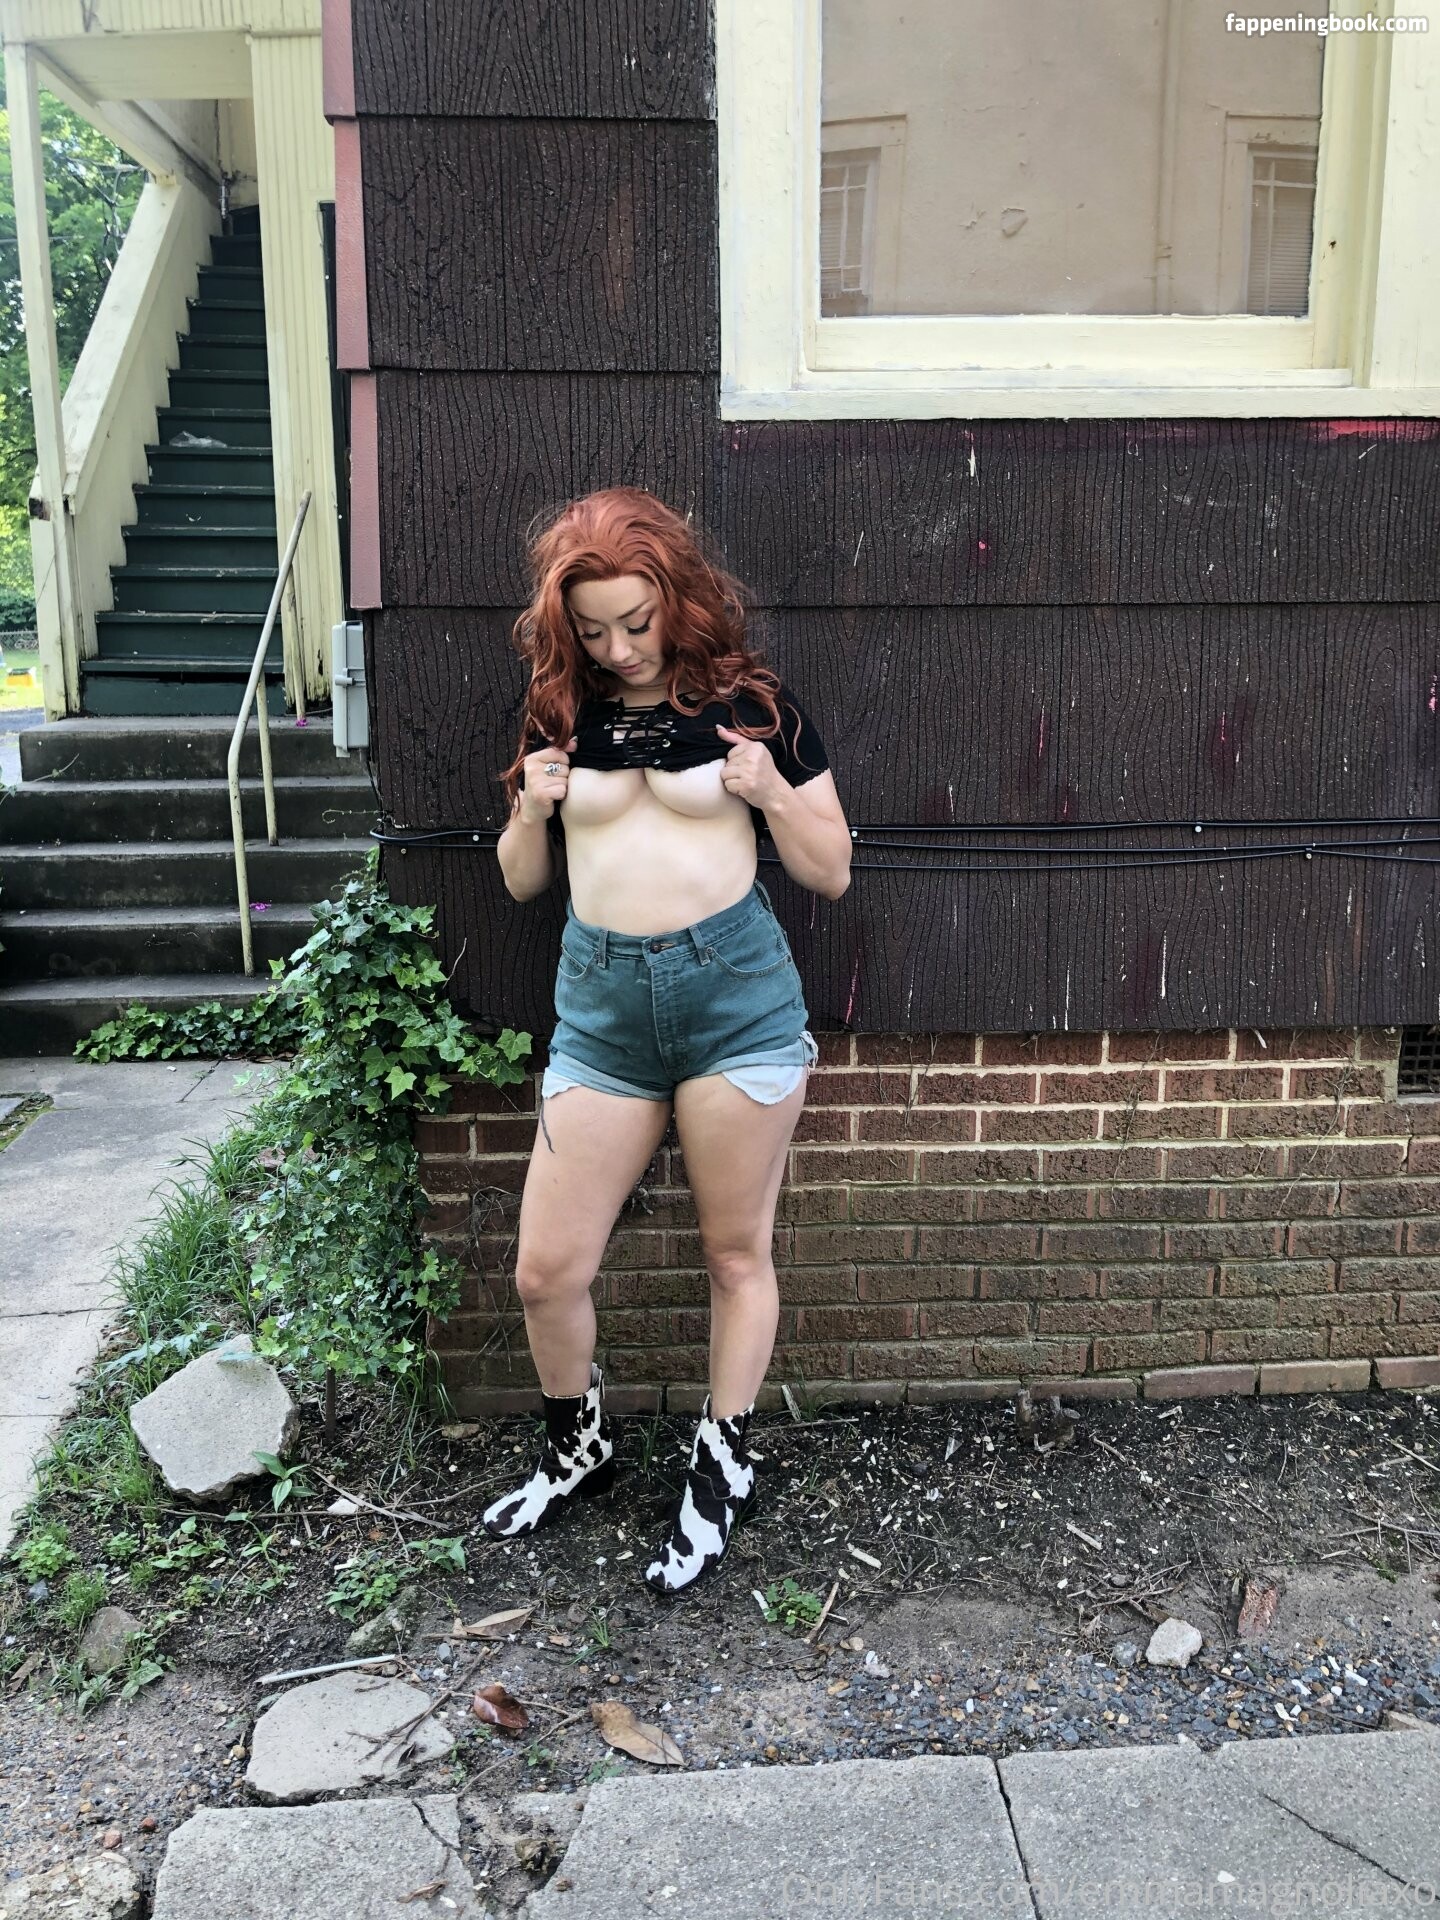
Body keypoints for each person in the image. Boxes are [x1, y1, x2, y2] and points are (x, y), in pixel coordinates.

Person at [479, 485, 852, 1595]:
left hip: (735, 997)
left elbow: (832, 870)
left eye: (636, 622)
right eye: (593, 629)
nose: (619, 648)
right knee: (546, 1271)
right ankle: (578, 1446)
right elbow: (521, 881)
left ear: (676, 597)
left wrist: (769, 790)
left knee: (735, 1256)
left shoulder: (751, 703)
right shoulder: (559, 710)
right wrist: (530, 808)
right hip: (602, 1009)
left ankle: (721, 1464)